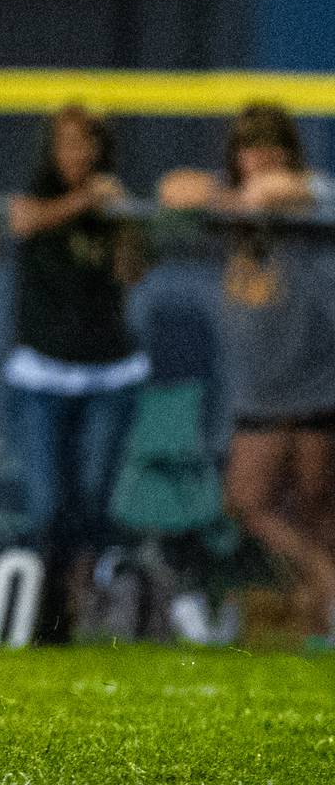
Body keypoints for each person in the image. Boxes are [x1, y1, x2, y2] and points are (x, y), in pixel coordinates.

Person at [160, 103, 335, 642]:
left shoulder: (314, 193)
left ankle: (320, 626)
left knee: (317, 513)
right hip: (257, 393)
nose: (257, 157)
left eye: (268, 145)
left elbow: (276, 192)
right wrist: (227, 196)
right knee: (247, 504)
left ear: (287, 150)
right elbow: (173, 189)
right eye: (247, 146)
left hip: (314, 385)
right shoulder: (232, 202)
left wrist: (238, 196)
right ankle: (329, 589)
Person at [5, 104, 148, 643]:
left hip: (109, 372)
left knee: (92, 496)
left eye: (87, 143)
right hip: (44, 371)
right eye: (67, 143)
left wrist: (125, 217)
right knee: (48, 501)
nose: (77, 154)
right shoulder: (39, 194)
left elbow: (132, 272)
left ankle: (80, 606)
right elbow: (22, 221)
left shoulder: (114, 204)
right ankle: (52, 609)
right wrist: (83, 201)